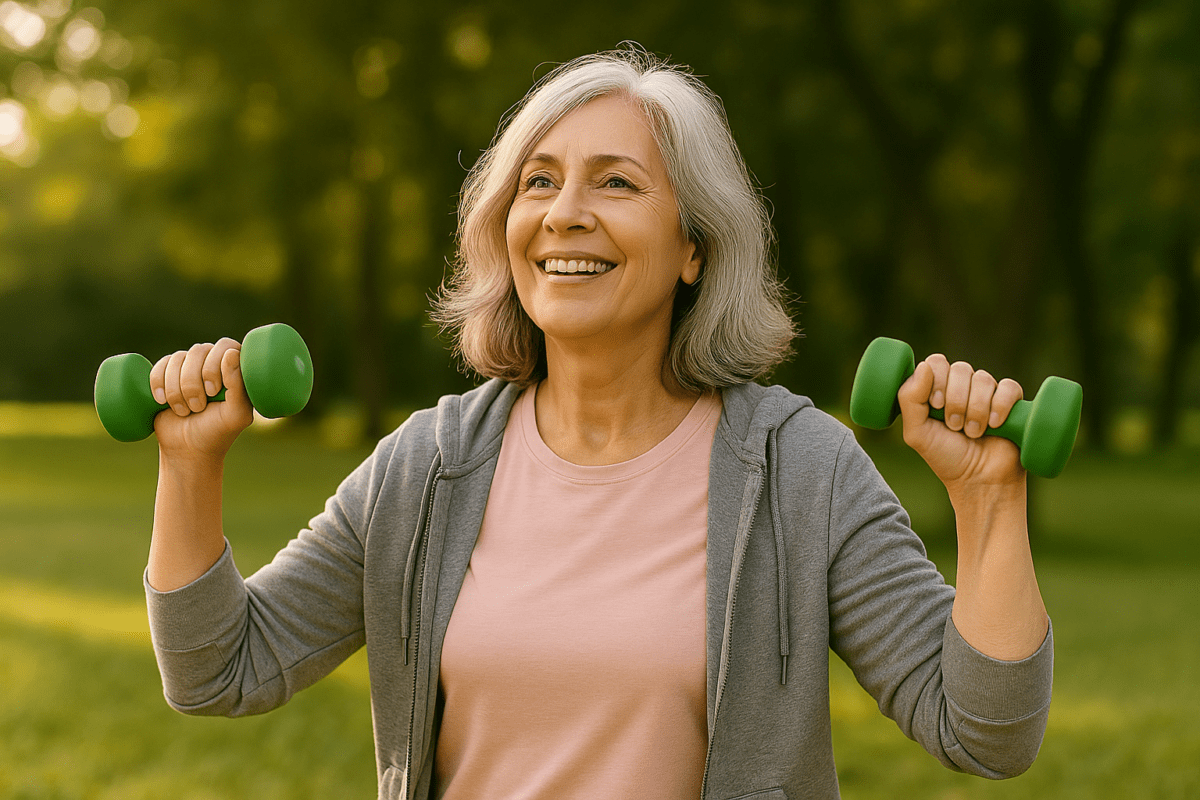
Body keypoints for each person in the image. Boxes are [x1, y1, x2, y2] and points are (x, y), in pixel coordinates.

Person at [144, 47, 1052, 800]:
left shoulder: (800, 468)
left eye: (615, 183)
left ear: (694, 247)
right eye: (538, 182)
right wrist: (189, 467)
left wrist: (986, 502)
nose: (564, 213)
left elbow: (982, 730)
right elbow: (220, 669)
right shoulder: (427, 466)